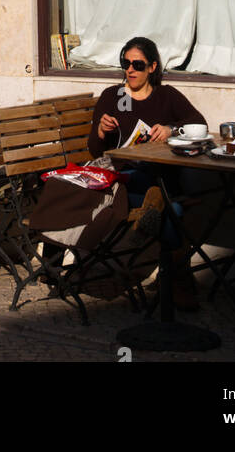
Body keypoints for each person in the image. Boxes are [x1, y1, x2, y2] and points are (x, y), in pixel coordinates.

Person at [87, 35, 207, 309]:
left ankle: (172, 275)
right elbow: (95, 150)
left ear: (152, 67)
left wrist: (171, 130)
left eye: (137, 65)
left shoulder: (166, 96)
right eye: (125, 63)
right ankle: (178, 279)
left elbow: (198, 122)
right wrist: (100, 130)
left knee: (170, 201)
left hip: (160, 177)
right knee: (172, 208)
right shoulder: (112, 97)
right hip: (123, 181)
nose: (130, 69)